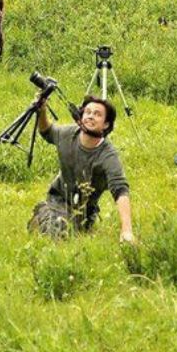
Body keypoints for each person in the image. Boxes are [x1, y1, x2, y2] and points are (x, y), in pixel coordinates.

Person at [28, 95, 135, 243]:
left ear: (106, 124)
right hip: (57, 199)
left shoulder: (108, 156)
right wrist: (42, 110)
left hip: (85, 211)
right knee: (55, 230)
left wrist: (127, 231)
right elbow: (47, 131)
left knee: (68, 233)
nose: (91, 116)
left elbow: (121, 190)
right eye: (88, 112)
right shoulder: (67, 134)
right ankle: (45, 215)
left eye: (97, 114)